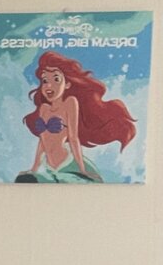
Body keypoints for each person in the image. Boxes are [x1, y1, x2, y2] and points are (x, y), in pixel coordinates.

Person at [15, 52, 136, 183]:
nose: (49, 85)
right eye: (45, 80)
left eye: (56, 79)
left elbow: (73, 138)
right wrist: (34, 167)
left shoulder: (70, 102)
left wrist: (82, 169)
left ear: (67, 84)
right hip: (49, 166)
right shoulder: (44, 108)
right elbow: (42, 141)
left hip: (69, 164)